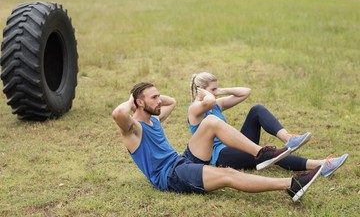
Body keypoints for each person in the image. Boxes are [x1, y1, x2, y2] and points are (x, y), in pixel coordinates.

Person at [112, 82, 324, 202]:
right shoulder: (134, 131)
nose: (160, 101)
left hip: (181, 160)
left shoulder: (154, 120)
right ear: (139, 103)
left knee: (211, 121)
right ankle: (291, 185)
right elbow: (119, 113)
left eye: (158, 96)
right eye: (154, 98)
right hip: (170, 176)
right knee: (228, 175)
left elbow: (172, 102)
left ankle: (262, 154)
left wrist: (148, 97)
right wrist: (132, 100)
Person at [188, 72, 348, 175]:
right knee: (267, 154)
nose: (216, 93)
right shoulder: (195, 110)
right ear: (201, 90)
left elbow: (246, 92)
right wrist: (207, 95)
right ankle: (320, 166)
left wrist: (220, 91)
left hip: (236, 144)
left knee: (256, 110)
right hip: (221, 156)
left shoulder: (216, 103)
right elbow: (207, 102)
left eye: (217, 89)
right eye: (213, 89)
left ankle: (288, 138)